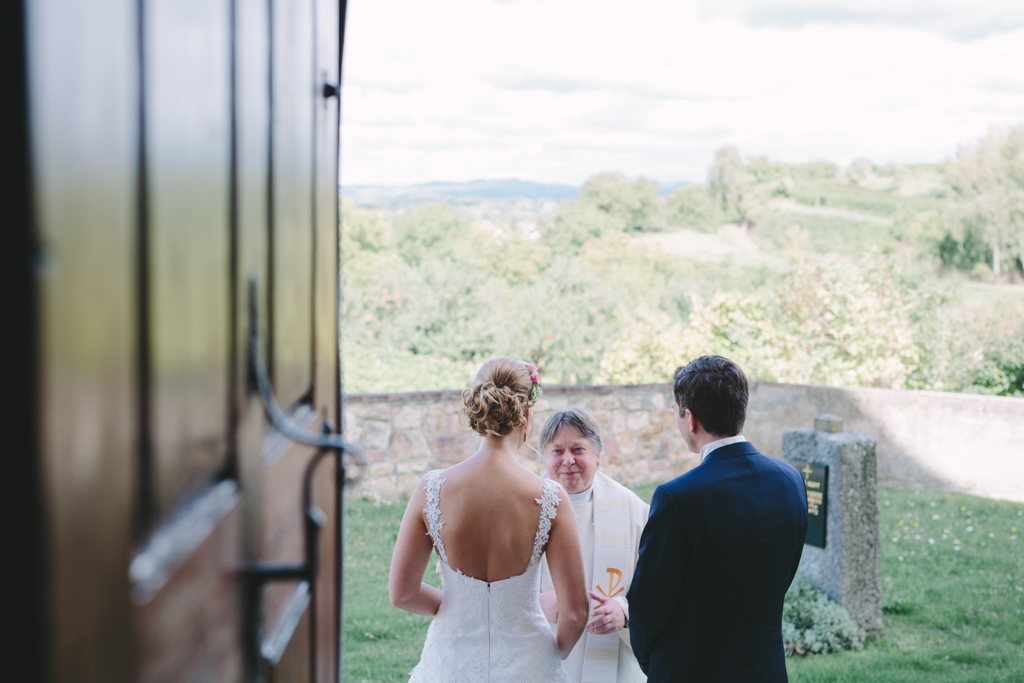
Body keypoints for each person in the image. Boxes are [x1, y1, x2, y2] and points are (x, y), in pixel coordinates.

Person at [389, 357, 590, 682]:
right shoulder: (551, 498)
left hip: (450, 663)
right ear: (526, 416)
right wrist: (558, 651)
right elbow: (576, 612)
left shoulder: (431, 489)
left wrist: (459, 606)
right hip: (529, 666)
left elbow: (402, 593)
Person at [626, 355, 808, 682]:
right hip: (766, 669)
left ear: (690, 418)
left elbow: (646, 607)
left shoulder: (678, 498)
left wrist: (656, 666)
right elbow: (783, 574)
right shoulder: (790, 480)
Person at [538, 408, 649, 683]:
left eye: (578, 449)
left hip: (614, 661)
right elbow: (493, 584)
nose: (568, 461)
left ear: (597, 454)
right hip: (539, 650)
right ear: (545, 456)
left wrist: (624, 611)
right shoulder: (522, 506)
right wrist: (534, 603)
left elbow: (657, 585)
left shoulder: (633, 509)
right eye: (557, 451)